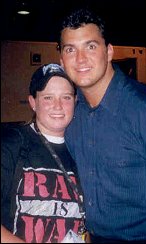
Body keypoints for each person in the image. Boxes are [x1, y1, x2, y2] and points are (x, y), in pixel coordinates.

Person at [57, 8, 146, 243]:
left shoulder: (143, 109)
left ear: (109, 51)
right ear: (61, 60)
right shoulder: (70, 117)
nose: (80, 59)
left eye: (90, 46)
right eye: (70, 49)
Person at [1, 63, 87, 243]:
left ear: (75, 101)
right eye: (48, 97)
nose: (58, 106)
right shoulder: (11, 144)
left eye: (66, 97)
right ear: (33, 102)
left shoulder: (84, 150)